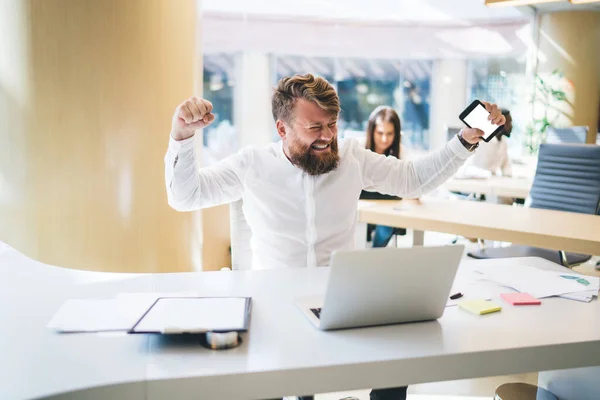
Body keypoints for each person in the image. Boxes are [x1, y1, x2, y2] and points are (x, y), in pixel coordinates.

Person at [165, 73, 504, 400]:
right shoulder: (251, 164)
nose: (327, 136)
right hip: (272, 304)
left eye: (332, 124)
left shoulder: (351, 158)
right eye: (315, 127)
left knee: (401, 359)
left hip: (341, 301)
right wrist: (182, 136)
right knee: (258, 381)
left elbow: (413, 179)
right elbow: (186, 196)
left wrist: (465, 141)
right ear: (282, 128)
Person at [362, 106, 405, 247]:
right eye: (380, 133)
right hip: (361, 209)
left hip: (387, 210)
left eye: (390, 133)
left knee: (386, 227)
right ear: (371, 131)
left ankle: (373, 257)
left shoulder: (401, 153)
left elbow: (406, 186)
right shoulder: (359, 149)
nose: (384, 139)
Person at [467, 108, 512, 177]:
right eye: (509, 122)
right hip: (477, 179)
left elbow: (506, 166)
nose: (511, 126)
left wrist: (508, 176)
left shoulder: (503, 142)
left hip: (492, 181)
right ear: (499, 123)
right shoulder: (482, 140)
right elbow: (472, 165)